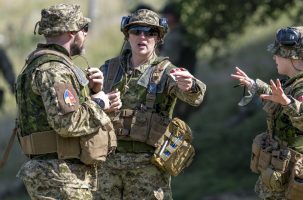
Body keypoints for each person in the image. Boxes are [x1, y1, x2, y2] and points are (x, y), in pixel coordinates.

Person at [94, 9, 206, 200]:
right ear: (127, 35)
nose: (142, 36)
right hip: (107, 166)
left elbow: (194, 97)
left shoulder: (166, 72)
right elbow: (86, 106)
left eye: (150, 32)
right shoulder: (109, 69)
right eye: (136, 30)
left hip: (148, 169)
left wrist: (190, 86)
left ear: (159, 38)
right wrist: (97, 95)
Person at [231, 26, 303, 199]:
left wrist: (287, 103)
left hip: (296, 187)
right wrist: (256, 86)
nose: (274, 57)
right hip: (285, 185)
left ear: (294, 57)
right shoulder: (297, 85)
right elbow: (283, 98)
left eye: (278, 53)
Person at [15, 4, 118, 199]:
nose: (86, 34)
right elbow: (67, 123)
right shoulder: (54, 70)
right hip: (61, 176)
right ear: (72, 31)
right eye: (84, 29)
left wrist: (92, 92)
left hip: (54, 173)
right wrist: (99, 103)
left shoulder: (40, 64)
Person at [159, 3, 198, 121]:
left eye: (165, 15)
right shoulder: (184, 33)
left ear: (172, 16)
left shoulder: (175, 36)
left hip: (177, 84)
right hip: (186, 80)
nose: (163, 18)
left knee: (175, 122)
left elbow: (166, 60)